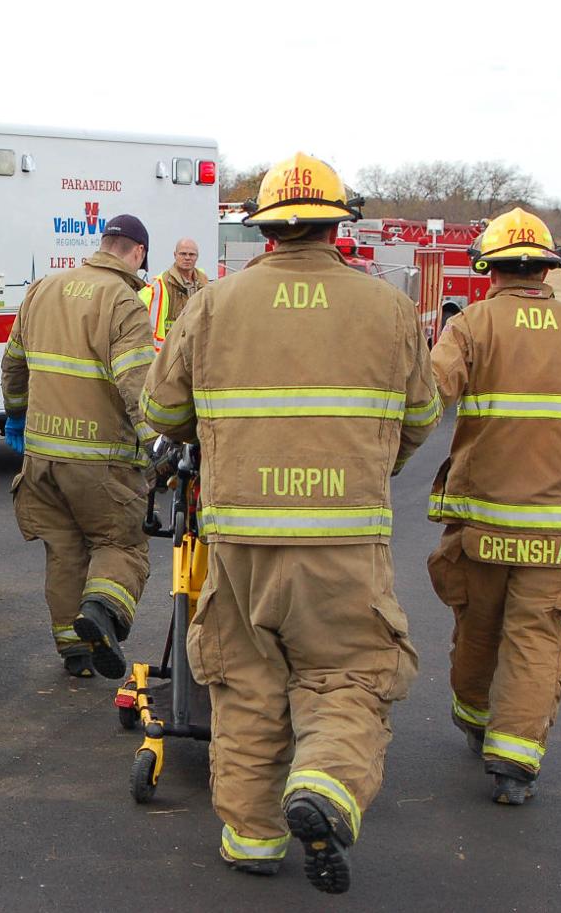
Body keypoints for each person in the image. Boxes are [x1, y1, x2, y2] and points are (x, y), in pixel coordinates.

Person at [143, 153, 439, 894]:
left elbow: (162, 410)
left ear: (266, 227)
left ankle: (251, 837)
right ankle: (326, 783)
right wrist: (369, 465)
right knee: (346, 674)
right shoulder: (388, 308)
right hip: (344, 543)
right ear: (340, 223)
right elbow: (421, 417)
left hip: (239, 542)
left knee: (245, 682)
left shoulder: (213, 303)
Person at [426, 207, 561, 807]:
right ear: (549, 269)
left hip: (482, 524)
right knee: (536, 637)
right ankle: (514, 765)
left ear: (488, 267)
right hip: (556, 529)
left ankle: (474, 720)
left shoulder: (471, 325)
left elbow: (429, 396)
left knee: (478, 625)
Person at [1, 214, 156, 680]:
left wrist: (16, 414)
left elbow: (13, 366)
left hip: (42, 458)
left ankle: (74, 651)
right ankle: (103, 612)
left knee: (65, 550)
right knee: (120, 543)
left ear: (103, 243)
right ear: (138, 253)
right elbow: (138, 385)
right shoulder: (124, 302)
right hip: (100, 461)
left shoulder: (43, 289)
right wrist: (159, 445)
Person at [138, 238, 209, 349]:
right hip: (171, 351)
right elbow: (152, 327)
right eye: (183, 254)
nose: (187, 258)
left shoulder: (204, 282)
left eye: (192, 254)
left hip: (196, 349)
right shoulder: (161, 284)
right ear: (175, 255)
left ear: (197, 257)